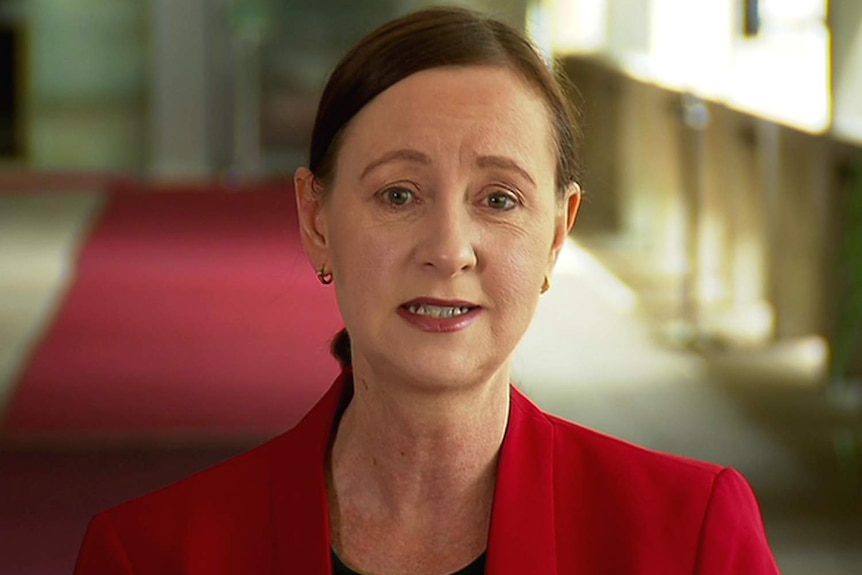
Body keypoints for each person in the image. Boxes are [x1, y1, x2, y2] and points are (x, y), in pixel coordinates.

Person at [74, 7, 781, 575]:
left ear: (558, 235)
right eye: (399, 193)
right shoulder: (151, 554)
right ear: (317, 219)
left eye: (499, 199)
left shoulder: (691, 538)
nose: (448, 249)